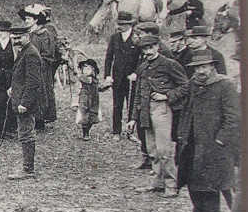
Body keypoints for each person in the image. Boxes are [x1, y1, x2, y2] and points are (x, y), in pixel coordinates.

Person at [175, 50, 240, 212]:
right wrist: (182, 134)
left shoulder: (225, 85)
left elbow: (233, 117)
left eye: (203, 67)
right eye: (197, 68)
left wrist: (220, 140)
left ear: (212, 67)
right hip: (192, 141)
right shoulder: (194, 84)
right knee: (192, 181)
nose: (200, 71)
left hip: (214, 144)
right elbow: (186, 110)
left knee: (211, 185)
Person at [128, 34, 190, 198]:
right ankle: (157, 183)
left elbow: (185, 85)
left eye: (150, 47)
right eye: (144, 49)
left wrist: (167, 96)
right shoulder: (142, 67)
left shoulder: (169, 64)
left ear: (157, 47)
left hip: (161, 110)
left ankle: (171, 185)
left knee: (164, 150)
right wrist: (133, 118)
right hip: (145, 111)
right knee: (152, 150)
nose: (147, 52)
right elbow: (138, 94)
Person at [7, 22, 47, 180]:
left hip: (25, 103)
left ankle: (28, 169)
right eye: (13, 38)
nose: (15, 41)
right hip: (20, 98)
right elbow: (21, 76)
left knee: (26, 133)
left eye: (18, 38)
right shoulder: (24, 51)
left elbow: (33, 82)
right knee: (24, 132)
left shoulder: (30, 53)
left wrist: (25, 103)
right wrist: (13, 88)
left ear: (27, 36)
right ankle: (26, 166)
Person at [103, 10, 140, 139]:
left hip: (132, 78)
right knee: (117, 105)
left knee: (132, 105)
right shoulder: (115, 38)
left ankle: (130, 133)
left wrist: (136, 73)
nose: (121, 26)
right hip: (117, 77)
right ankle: (116, 131)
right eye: (119, 23)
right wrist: (108, 75)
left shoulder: (137, 38)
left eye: (124, 24)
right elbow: (109, 57)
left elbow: (141, 59)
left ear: (130, 24)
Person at [22, 6, 58, 128]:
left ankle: (40, 119)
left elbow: (48, 54)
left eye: (28, 18)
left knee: (41, 92)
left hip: (41, 68)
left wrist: (36, 64)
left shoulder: (44, 34)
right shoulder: (27, 34)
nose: (26, 21)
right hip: (27, 67)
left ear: (36, 20)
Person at [76, 59, 101, 140]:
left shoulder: (95, 80)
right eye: (84, 69)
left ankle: (88, 131)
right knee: (85, 116)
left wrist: (107, 86)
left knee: (92, 116)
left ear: (93, 70)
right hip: (85, 100)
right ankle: (85, 133)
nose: (86, 71)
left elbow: (98, 88)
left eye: (88, 69)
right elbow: (78, 89)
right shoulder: (82, 79)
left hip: (94, 100)